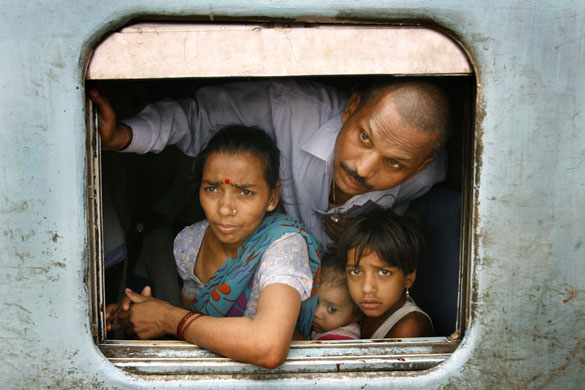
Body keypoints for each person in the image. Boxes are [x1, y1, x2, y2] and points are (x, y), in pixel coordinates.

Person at [89, 78, 450, 247]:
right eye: (364, 138)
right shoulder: (291, 108)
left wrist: (372, 226)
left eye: (395, 164)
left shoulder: (428, 176)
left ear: (419, 168)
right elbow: (198, 118)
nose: (364, 169)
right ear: (351, 109)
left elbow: (403, 213)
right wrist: (121, 136)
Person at [106, 125, 321, 369]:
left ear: (272, 197)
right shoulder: (190, 243)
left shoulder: (284, 247)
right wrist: (142, 315)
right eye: (212, 189)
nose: (224, 209)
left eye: (245, 192)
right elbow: (195, 327)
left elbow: (269, 348)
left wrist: (166, 317)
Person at [337, 207, 433, 339]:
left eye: (384, 272)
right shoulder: (355, 309)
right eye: (356, 271)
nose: (367, 288)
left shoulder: (409, 328)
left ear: (409, 277)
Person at [310, 251, 361, 341]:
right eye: (315, 301)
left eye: (332, 309)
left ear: (356, 314)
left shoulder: (339, 339)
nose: (316, 313)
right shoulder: (328, 328)